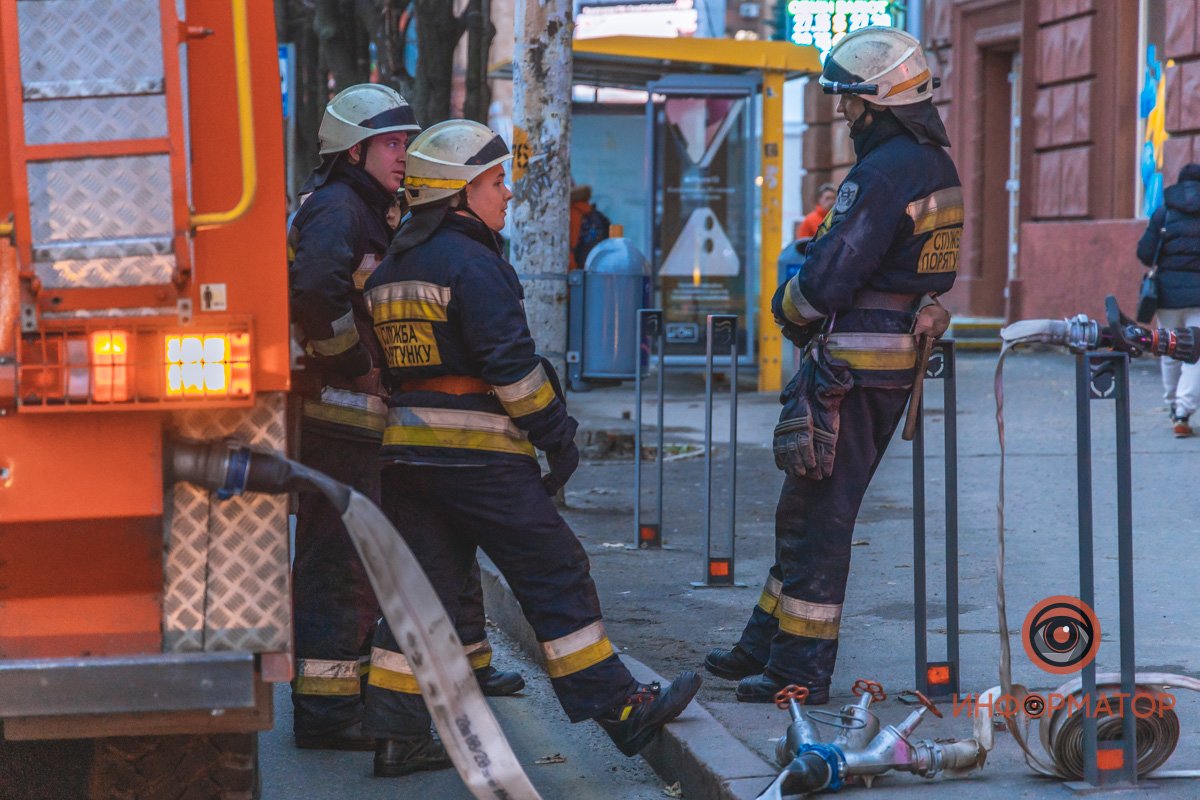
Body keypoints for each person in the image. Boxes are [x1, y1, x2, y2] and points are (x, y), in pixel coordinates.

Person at [362, 119, 700, 777]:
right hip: (481, 459)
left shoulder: (391, 270)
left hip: (407, 459)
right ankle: (620, 706)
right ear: (460, 194)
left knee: (422, 594)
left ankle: (398, 736)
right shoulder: (475, 263)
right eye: (495, 182)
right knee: (554, 570)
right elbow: (512, 372)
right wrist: (557, 439)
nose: (508, 194)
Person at [704, 26, 961, 705]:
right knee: (807, 509)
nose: (846, 117)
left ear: (877, 103)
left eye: (850, 104)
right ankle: (762, 646)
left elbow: (828, 274)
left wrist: (789, 308)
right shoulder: (935, 164)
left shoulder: (884, 171)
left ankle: (798, 673)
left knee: (819, 518)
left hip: (849, 369)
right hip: (886, 363)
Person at [287, 85, 521, 754]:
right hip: (340, 418)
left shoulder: (374, 209)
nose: (403, 155)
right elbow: (314, 295)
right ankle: (328, 711)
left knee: (380, 556)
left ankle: (364, 691)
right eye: (392, 143)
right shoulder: (337, 209)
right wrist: (357, 363)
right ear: (353, 150)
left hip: (370, 421)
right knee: (337, 559)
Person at [1137, 163, 1200, 437]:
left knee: (1171, 348)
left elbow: (1144, 252)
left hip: (1166, 295)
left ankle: (1173, 405)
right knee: (1197, 354)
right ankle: (1184, 411)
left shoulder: (1163, 213)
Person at [569, 183, 611, 269]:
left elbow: (571, 249)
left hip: (575, 274)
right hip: (595, 273)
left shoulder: (571, 213)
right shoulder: (596, 216)